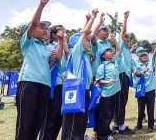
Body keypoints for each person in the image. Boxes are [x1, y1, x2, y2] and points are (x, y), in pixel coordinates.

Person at [15, 0, 64, 140]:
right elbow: (33, 22)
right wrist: (42, 5)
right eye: (42, 27)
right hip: (28, 83)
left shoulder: (48, 47)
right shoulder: (28, 42)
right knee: (25, 121)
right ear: (31, 29)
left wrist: (61, 41)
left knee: (38, 121)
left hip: (45, 85)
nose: (45, 30)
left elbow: (57, 59)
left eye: (47, 28)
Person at [61, 9, 97, 139]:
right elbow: (85, 33)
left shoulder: (84, 56)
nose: (89, 43)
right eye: (86, 41)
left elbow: (84, 34)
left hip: (85, 91)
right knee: (73, 121)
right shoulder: (76, 53)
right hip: (76, 91)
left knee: (81, 120)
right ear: (79, 43)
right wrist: (93, 17)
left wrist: (87, 21)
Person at [39, 24, 69, 140]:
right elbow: (57, 59)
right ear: (54, 35)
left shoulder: (67, 49)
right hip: (53, 86)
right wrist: (62, 42)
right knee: (50, 118)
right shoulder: (50, 47)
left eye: (65, 32)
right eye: (61, 32)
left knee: (59, 119)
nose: (64, 34)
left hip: (64, 87)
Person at [113, 11, 135, 135]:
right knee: (121, 101)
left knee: (121, 101)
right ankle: (121, 126)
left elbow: (130, 65)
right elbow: (122, 33)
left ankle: (116, 124)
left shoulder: (127, 50)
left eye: (128, 37)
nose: (127, 39)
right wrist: (125, 18)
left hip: (125, 76)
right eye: (126, 37)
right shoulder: (121, 45)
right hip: (121, 76)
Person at [96, 44, 121, 140]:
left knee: (110, 114)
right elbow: (99, 80)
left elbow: (119, 51)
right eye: (108, 51)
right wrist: (108, 81)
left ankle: (107, 131)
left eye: (111, 50)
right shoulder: (102, 66)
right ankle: (101, 136)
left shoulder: (114, 63)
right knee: (105, 115)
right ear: (103, 56)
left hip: (114, 93)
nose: (111, 52)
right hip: (106, 94)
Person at [133, 47, 156, 133]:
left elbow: (154, 55)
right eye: (142, 56)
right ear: (139, 58)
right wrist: (141, 72)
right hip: (141, 90)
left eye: (146, 56)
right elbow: (135, 74)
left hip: (150, 89)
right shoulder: (137, 65)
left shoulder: (150, 64)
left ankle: (150, 126)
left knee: (150, 108)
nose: (145, 56)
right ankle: (139, 125)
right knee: (140, 108)